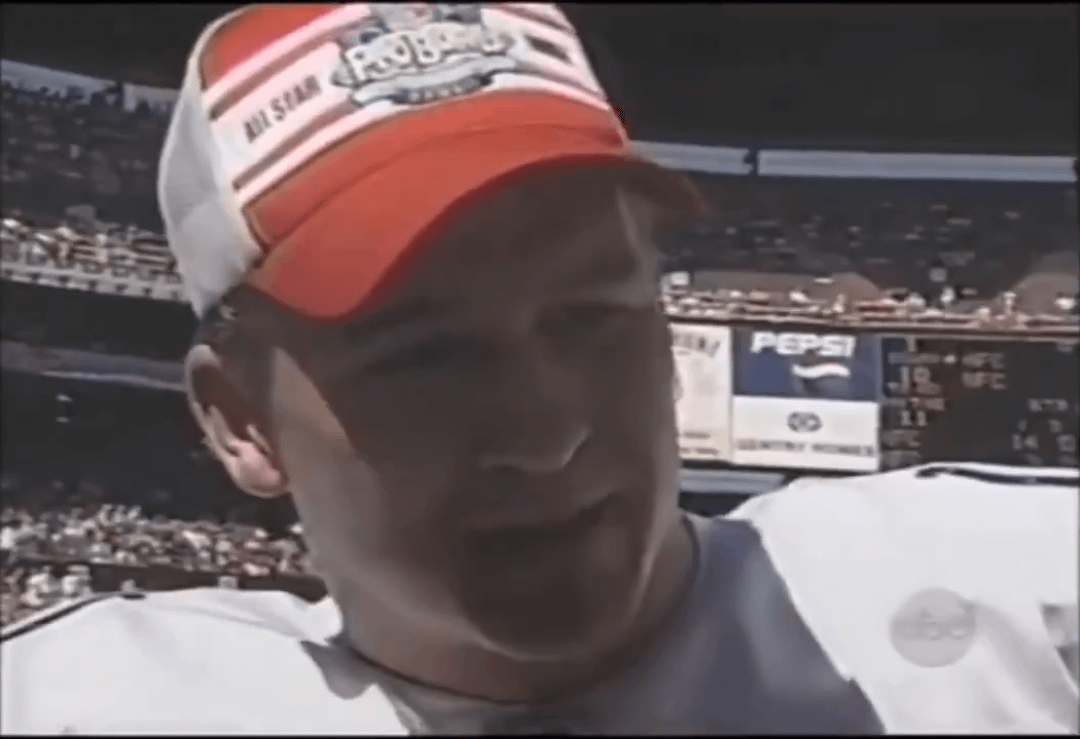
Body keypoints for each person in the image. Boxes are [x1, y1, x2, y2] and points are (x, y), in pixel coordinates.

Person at [2, 4, 1077, 735]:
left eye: (592, 319)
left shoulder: (1016, 600)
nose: (546, 431)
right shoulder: (86, 703)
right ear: (242, 418)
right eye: (425, 356)